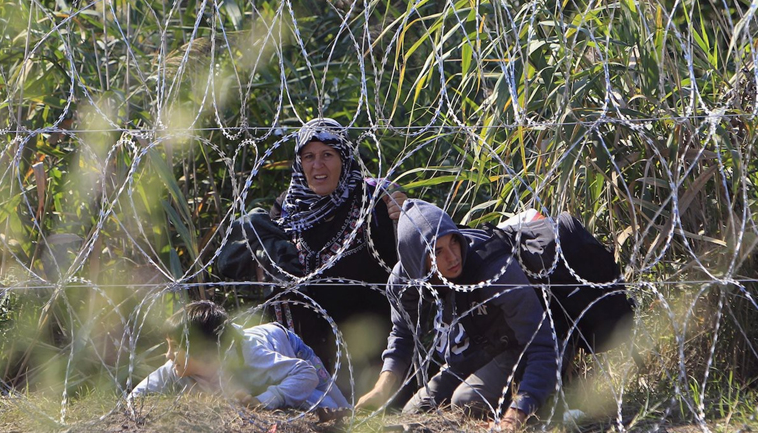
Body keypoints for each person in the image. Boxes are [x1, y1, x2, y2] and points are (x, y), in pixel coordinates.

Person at [357, 200, 558, 431]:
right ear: (416, 260)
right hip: (472, 352)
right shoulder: (404, 282)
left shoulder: (494, 270)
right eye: (438, 252)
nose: (453, 258)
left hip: (517, 348)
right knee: (413, 413)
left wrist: (516, 414)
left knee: (465, 402)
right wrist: (382, 388)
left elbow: (542, 345)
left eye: (454, 242)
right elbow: (403, 335)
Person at [269, 118, 405, 393]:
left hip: (366, 351)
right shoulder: (287, 207)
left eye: (327, 155)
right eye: (308, 156)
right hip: (303, 357)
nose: (317, 166)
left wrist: (405, 218)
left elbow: (408, 261)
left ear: (343, 158)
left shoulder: (374, 200)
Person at [129, 300, 350, 418]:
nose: (168, 356)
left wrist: (264, 400)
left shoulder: (252, 357)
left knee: (333, 405)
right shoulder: (175, 368)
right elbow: (135, 398)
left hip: (288, 347)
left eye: (175, 347)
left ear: (202, 348)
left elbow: (305, 373)